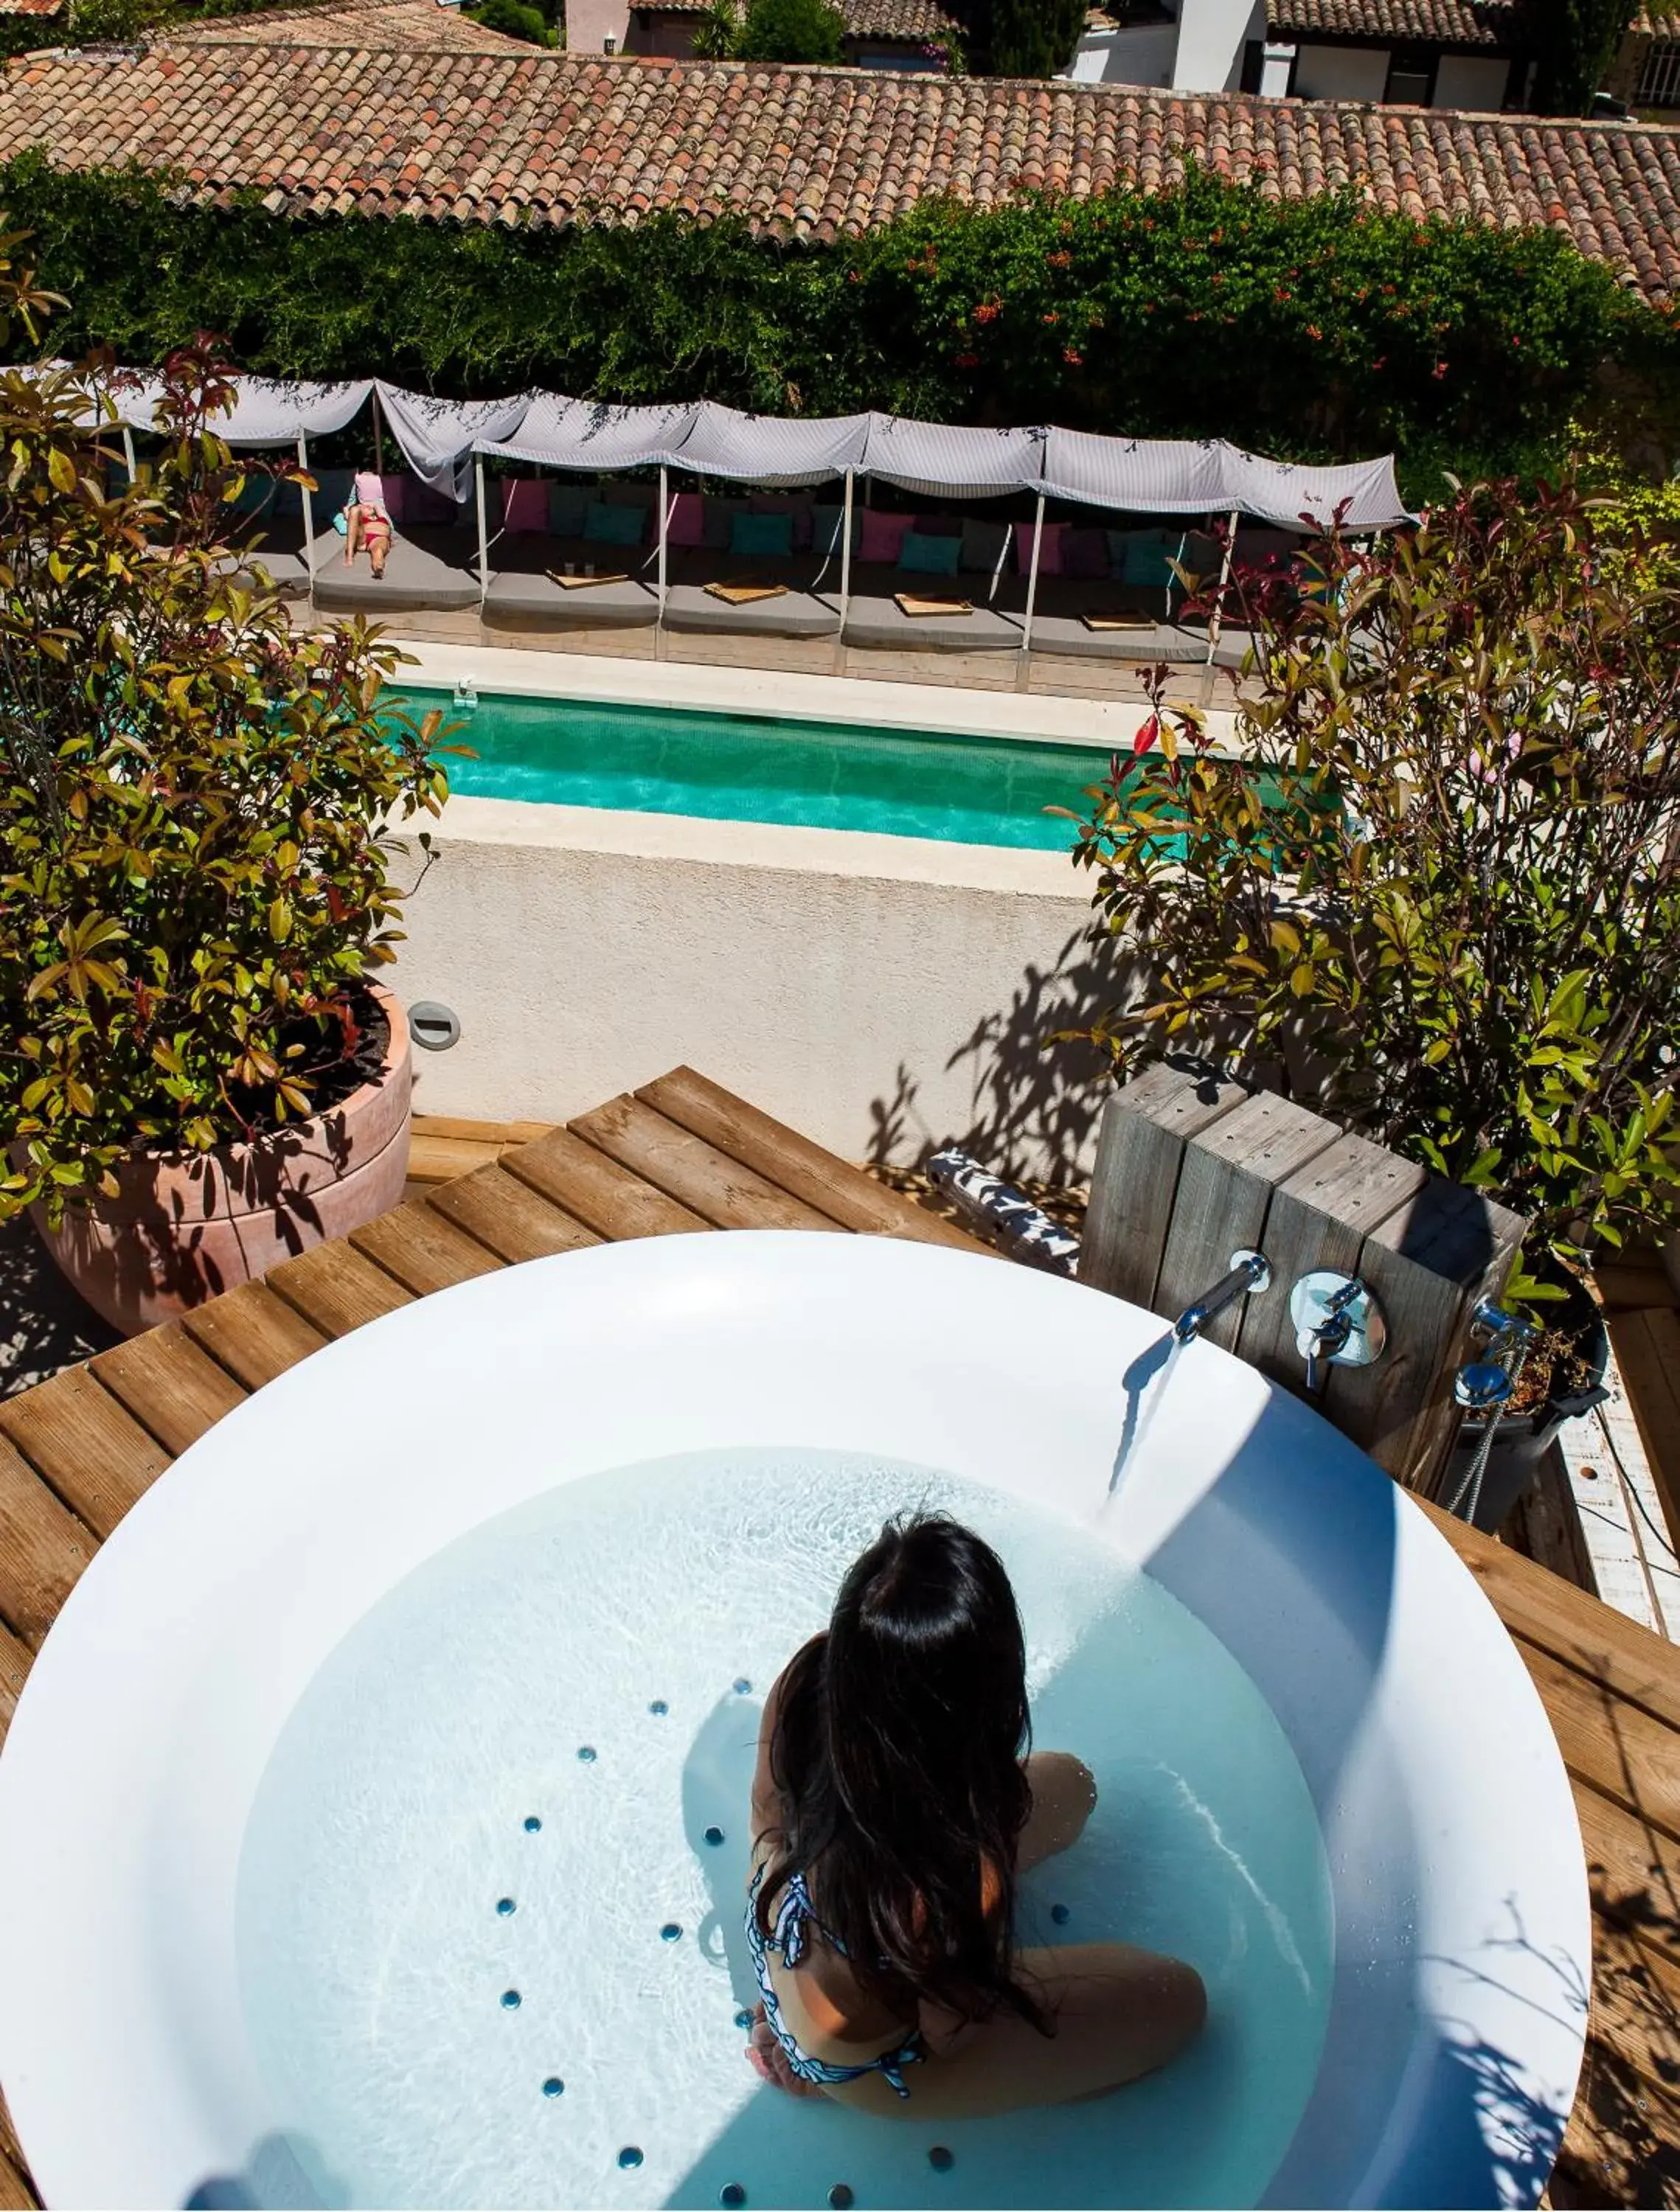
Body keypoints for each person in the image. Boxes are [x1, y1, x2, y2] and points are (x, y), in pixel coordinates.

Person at [744, 1512, 1205, 2118]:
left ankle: (811, 2018)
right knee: (1176, 2003)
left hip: (783, 1932)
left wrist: (807, 1988)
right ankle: (823, 2062)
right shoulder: (948, 1877)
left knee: (1071, 1786)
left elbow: (766, 1817)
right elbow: (953, 2032)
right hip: (858, 2063)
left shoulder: (809, 1676)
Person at [344, 469, 392, 579]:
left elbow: (377, 505)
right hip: (364, 539)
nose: (367, 506)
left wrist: (373, 505)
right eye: (364, 506)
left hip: (379, 539)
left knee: (378, 551)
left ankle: (378, 569)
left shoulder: (380, 515)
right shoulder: (359, 516)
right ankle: (349, 555)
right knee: (354, 510)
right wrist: (350, 509)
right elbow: (351, 517)